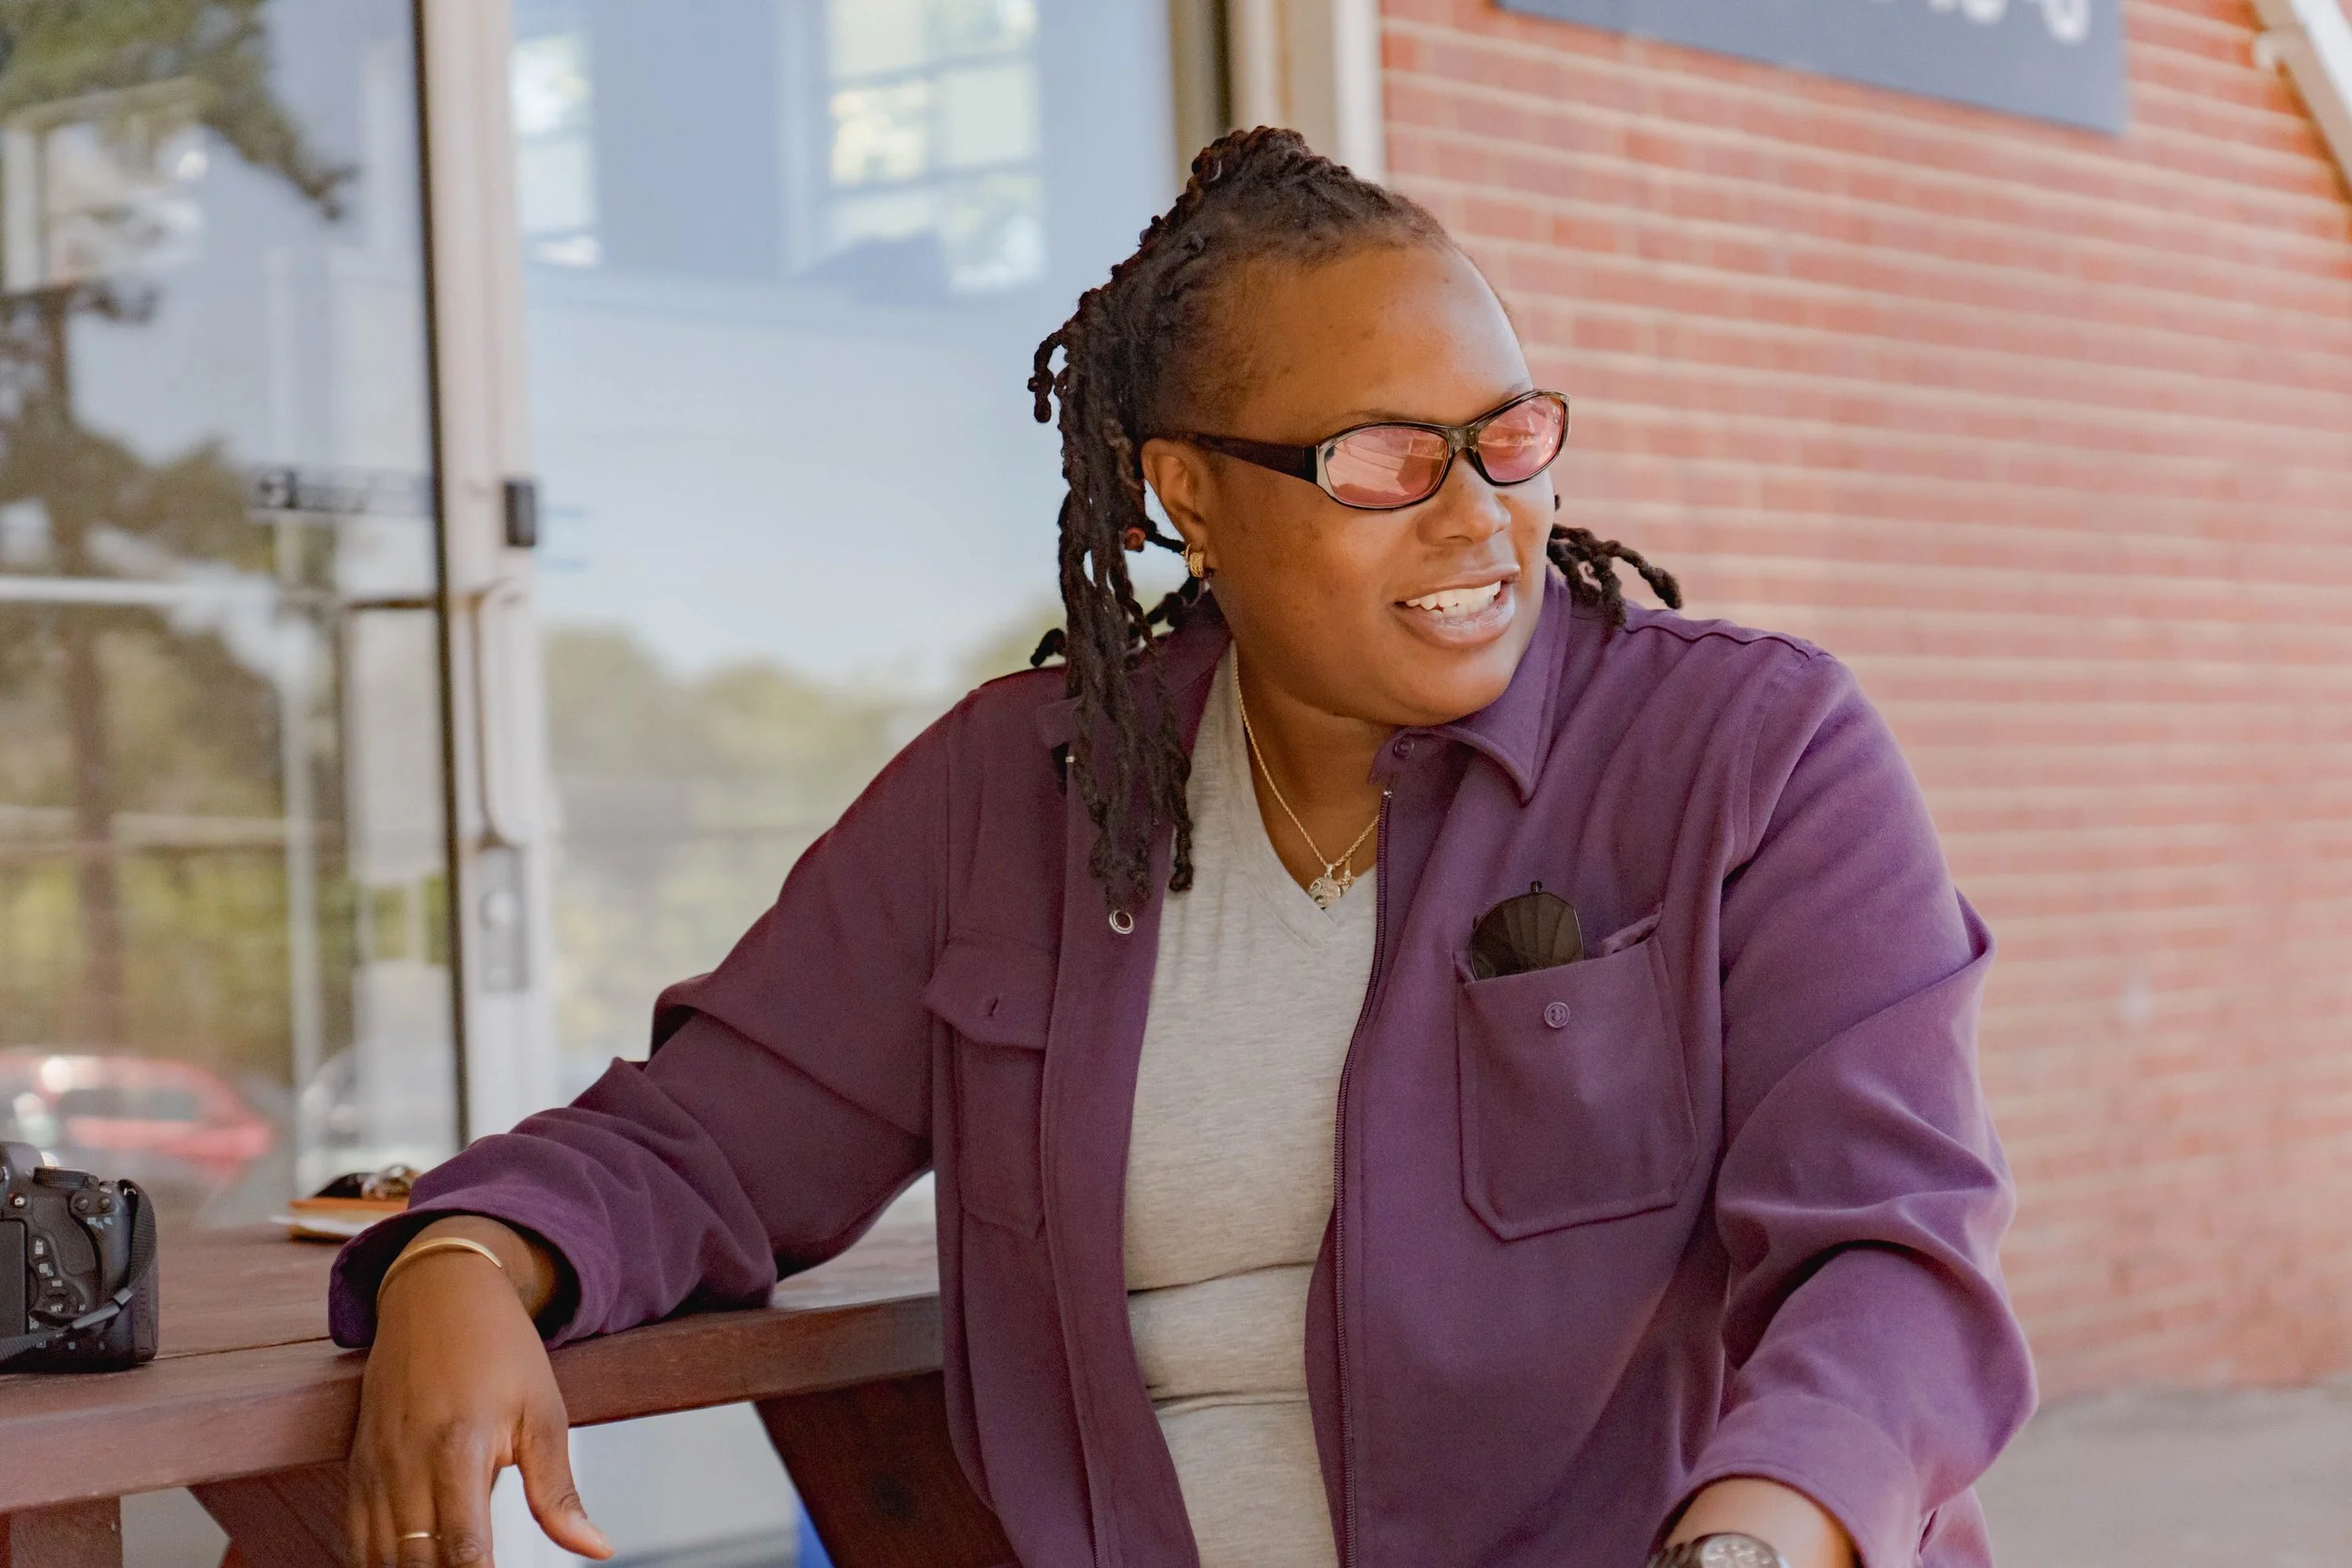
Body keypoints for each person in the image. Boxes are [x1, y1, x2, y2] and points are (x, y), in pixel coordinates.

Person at [333, 128, 2034, 1568]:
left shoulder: (1751, 757)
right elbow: (701, 1141)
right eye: (1382, 457)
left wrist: (1762, 1530)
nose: (1477, 515)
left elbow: (1888, 1251)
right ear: (1187, 495)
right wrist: (469, 1264)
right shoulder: (1016, 797)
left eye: (1506, 435)